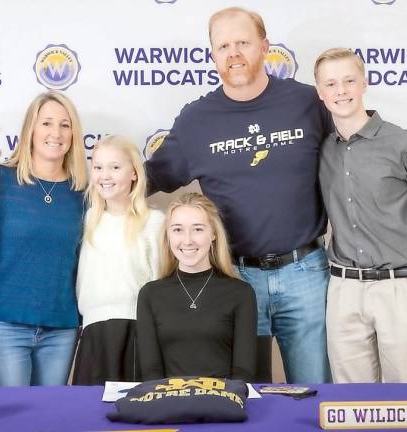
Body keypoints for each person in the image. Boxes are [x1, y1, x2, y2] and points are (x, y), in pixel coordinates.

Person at [145, 6, 332, 383]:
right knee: (246, 394)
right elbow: (146, 180)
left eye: (243, 42)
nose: (233, 53)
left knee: (314, 391)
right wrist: (87, 183)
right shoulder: (197, 119)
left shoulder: (308, 103)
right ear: (212, 55)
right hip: (235, 278)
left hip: (306, 273)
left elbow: (352, 158)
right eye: (223, 46)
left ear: (264, 47)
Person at [314, 48, 407, 398]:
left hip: (402, 290)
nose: (341, 91)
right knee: (351, 405)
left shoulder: (404, 144)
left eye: (349, 80)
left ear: (364, 82)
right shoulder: (323, 151)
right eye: (331, 84)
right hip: (343, 291)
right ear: (320, 93)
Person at [0, 91, 87, 386]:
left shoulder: (85, 193)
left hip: (62, 327)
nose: (56, 133)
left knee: (50, 422)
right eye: (47, 123)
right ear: (31, 130)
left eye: (65, 125)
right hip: (4, 324)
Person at [71, 135, 164, 385]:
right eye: (99, 167)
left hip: (137, 332)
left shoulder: (153, 222)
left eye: (115, 167)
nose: (105, 175)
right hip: (93, 333)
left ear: (134, 173)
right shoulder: (89, 218)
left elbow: (161, 284)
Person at [137, 193, 257, 382]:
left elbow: (244, 371)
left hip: (223, 403)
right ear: (167, 235)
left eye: (198, 229)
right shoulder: (150, 294)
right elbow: (151, 371)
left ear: (214, 234)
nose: (187, 240)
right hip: (168, 404)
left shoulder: (241, 293)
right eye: (177, 230)